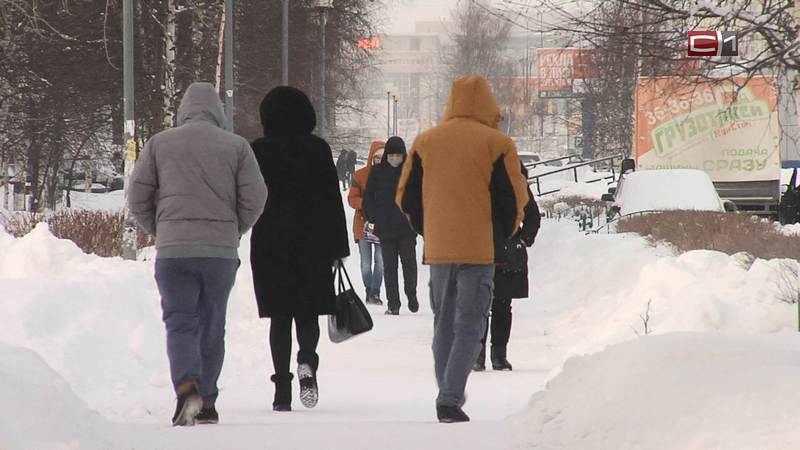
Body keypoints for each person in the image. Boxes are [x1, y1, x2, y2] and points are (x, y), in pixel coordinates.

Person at [128, 82, 267, 426]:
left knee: (179, 321)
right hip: (218, 253)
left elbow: (137, 196)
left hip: (174, 251)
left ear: (183, 111)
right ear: (218, 112)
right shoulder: (236, 147)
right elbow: (256, 197)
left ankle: (186, 385)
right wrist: (234, 230)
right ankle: (207, 400)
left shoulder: (160, 144)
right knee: (212, 323)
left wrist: (161, 230)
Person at [396, 76, 528, 423]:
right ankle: (449, 399)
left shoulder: (426, 141)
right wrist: (505, 231)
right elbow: (513, 197)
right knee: (470, 323)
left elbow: (406, 196)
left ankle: (447, 390)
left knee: (444, 323)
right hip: (480, 249)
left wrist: (428, 229)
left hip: (439, 248)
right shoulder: (497, 143)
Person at [249, 86, 349, 412]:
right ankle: (307, 359)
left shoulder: (257, 151)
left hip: (270, 243)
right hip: (314, 242)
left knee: (279, 317)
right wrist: (338, 247)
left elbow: (249, 197)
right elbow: (332, 202)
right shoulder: (318, 149)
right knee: (307, 312)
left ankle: (281, 390)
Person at [474, 164, 541, 372]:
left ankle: (498, 355)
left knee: (501, 306)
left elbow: (532, 216)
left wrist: (523, 241)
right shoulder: (478, 182)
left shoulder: (518, 184)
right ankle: (478, 354)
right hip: (481, 251)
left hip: (508, 252)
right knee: (480, 306)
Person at [363, 137, 418, 315]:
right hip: (385, 227)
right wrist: (373, 217)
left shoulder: (411, 171)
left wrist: (417, 218)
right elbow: (369, 197)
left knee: (409, 263)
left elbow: (420, 197)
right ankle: (393, 303)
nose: (395, 158)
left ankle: (411, 294)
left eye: (398, 155)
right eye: (392, 155)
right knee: (389, 266)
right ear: (387, 155)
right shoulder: (377, 172)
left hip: (406, 228)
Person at [348, 141, 386, 305]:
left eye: (383, 157)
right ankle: (368, 289)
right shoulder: (360, 175)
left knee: (380, 262)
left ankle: (375, 292)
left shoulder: (390, 176)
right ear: (372, 157)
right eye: (377, 157)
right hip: (362, 224)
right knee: (365, 263)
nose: (380, 160)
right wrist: (366, 203)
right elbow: (352, 198)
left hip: (382, 225)